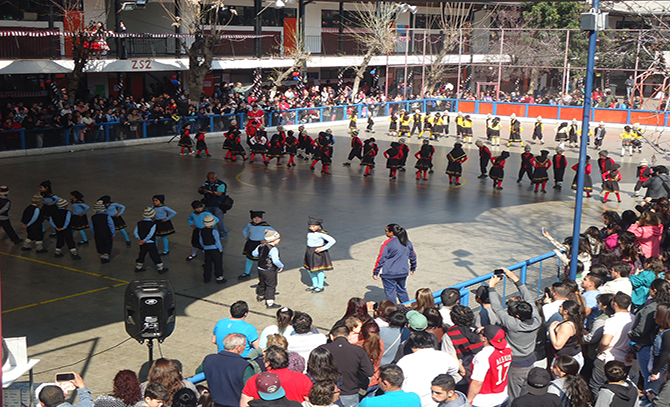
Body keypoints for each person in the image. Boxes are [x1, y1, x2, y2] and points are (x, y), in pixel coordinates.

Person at [488, 268, 543, 402]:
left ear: (517, 316)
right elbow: (529, 299)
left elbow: (496, 307)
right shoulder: (537, 320)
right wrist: (515, 279)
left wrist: (492, 287)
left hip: (515, 365)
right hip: (530, 361)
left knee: (513, 397)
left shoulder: (512, 324)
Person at [396, 331, 463, 407]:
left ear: (412, 346)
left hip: (413, 402)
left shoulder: (405, 360)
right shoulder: (445, 356)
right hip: (436, 401)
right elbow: (454, 370)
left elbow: (397, 380)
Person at [589, 292, 634, 398]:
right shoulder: (634, 318)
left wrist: (600, 349)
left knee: (596, 385)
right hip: (626, 359)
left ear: (615, 304)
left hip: (607, 358)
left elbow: (606, 341)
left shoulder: (612, 321)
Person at [318, 325, 374, 407]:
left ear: (331, 336)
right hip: (350, 391)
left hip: (327, 392)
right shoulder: (358, 350)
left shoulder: (322, 349)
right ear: (349, 336)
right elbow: (369, 372)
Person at [241, 346, 313, 407]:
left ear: (267, 363)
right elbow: (310, 402)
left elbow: (244, 404)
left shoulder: (255, 380)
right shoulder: (302, 378)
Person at [202, 333, 253, 407]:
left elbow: (198, 372)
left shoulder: (209, 359)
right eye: (244, 345)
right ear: (238, 347)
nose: (245, 347)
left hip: (215, 403)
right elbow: (251, 388)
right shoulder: (244, 365)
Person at [467, 325, 512, 407]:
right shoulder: (507, 348)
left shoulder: (483, 356)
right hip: (502, 396)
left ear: (485, 339)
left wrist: (469, 400)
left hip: (483, 400)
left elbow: (477, 382)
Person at [373, 223, 417, 304]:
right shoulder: (407, 242)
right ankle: (407, 307)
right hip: (403, 272)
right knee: (402, 290)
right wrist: (413, 267)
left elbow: (381, 258)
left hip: (389, 273)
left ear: (392, 232)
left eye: (386, 231)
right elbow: (413, 256)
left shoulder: (387, 243)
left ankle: (393, 309)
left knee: (390, 293)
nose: (386, 233)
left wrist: (376, 272)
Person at [357, 364, 421, 407]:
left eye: (378, 379)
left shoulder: (368, 403)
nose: (377, 381)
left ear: (385, 383)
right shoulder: (414, 398)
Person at [239, 210, 276, 280]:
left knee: (262, 259)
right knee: (249, 258)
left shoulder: (265, 226)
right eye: (254, 218)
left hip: (260, 244)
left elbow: (274, 233)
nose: (257, 219)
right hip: (251, 243)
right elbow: (244, 230)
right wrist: (246, 237)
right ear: (252, 219)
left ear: (261, 218)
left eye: (258, 218)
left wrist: (267, 240)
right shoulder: (250, 225)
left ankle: (263, 273)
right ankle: (246, 273)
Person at [133, 207, 168, 274]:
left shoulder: (139, 223)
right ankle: (160, 268)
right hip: (150, 242)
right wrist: (145, 240)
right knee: (154, 254)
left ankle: (138, 267)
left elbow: (135, 232)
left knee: (142, 254)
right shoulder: (153, 224)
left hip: (142, 242)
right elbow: (150, 234)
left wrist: (141, 239)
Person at [198, 172, 228, 239]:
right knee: (206, 219)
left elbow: (219, 193)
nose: (210, 180)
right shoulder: (206, 183)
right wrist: (201, 190)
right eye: (208, 178)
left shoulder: (221, 184)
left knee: (219, 220)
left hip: (218, 205)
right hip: (208, 204)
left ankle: (223, 233)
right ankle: (206, 232)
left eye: (212, 178)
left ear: (215, 178)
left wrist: (208, 191)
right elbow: (202, 189)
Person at [200, 214, 225, 284]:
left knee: (207, 264)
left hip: (206, 250)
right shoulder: (214, 231)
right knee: (218, 264)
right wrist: (220, 250)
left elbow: (201, 241)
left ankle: (207, 278)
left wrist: (204, 248)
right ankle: (219, 278)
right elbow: (217, 241)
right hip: (215, 250)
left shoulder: (201, 231)